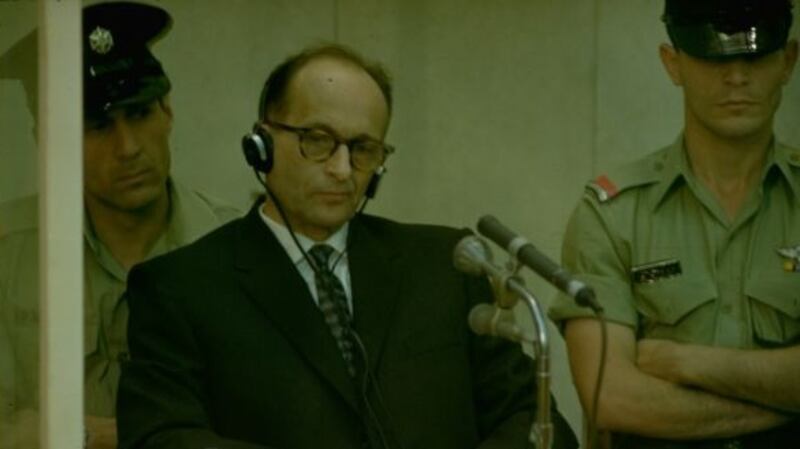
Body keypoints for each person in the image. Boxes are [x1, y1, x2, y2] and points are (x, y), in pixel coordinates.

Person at [115, 44, 579, 449]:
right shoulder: (181, 287)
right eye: (318, 140)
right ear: (262, 142)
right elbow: (159, 437)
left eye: (362, 149)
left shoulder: (446, 264)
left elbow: (538, 422)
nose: (342, 169)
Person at [549, 0, 799, 448]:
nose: (737, 77)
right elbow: (612, 398)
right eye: (711, 57)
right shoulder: (612, 214)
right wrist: (780, 400)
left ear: (788, 60)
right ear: (673, 63)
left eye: (756, 56)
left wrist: (688, 363)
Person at [0, 2, 239, 448]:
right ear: (47, 139)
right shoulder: (7, 249)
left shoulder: (237, 246)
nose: (128, 147)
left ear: (167, 111)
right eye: (97, 126)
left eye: (140, 113)